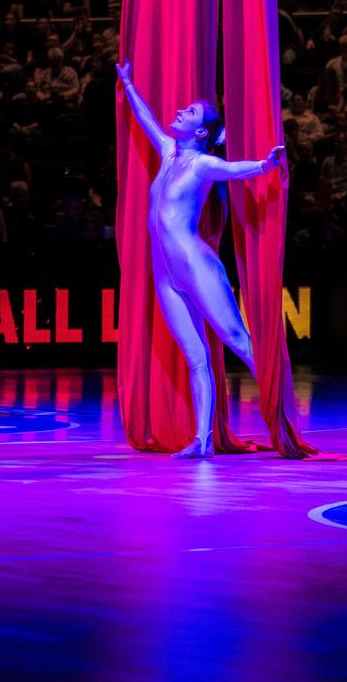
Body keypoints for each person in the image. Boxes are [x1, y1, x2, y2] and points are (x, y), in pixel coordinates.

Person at [117, 58, 284, 458]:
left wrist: (265, 165)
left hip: (197, 267)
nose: (180, 111)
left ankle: (282, 419)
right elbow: (146, 119)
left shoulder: (203, 163)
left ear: (202, 131)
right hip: (165, 275)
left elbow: (234, 169)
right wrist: (128, 85)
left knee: (238, 340)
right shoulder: (168, 153)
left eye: (189, 112)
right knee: (196, 357)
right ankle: (203, 440)